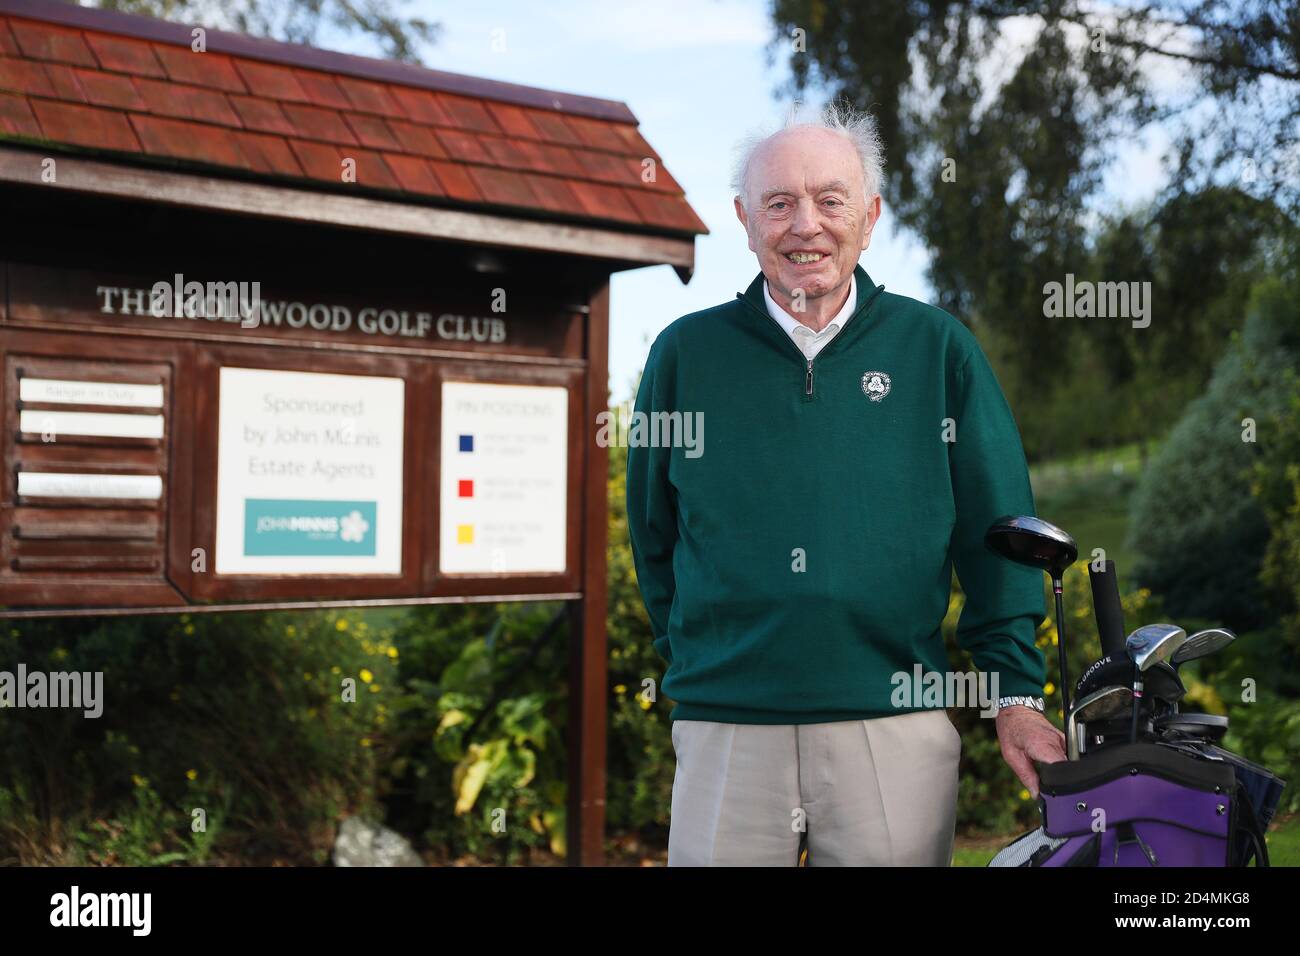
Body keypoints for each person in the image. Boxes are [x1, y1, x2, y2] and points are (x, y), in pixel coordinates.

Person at [626, 101, 1067, 866]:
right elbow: (653, 538)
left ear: (870, 215)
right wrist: (705, 660)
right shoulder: (683, 356)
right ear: (744, 217)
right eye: (780, 203)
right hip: (727, 724)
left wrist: (1016, 699)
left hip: (893, 724)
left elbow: (999, 536)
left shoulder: (938, 350)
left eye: (831, 200)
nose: (806, 225)